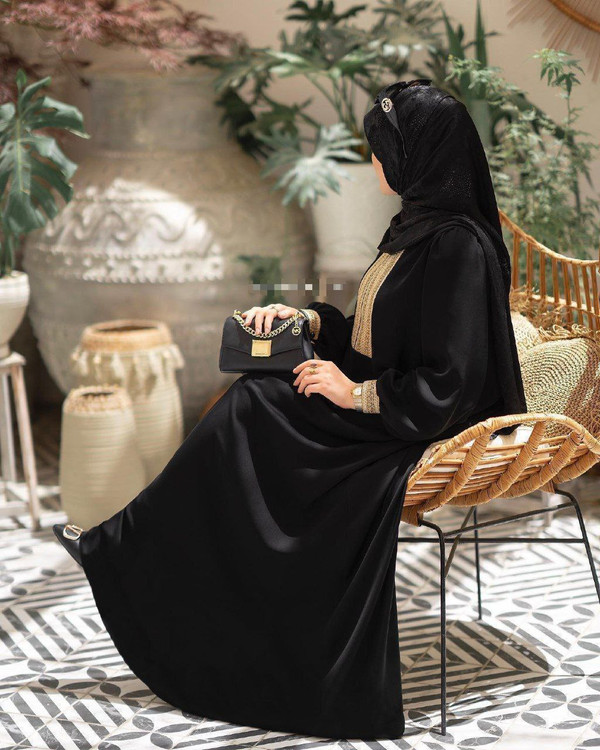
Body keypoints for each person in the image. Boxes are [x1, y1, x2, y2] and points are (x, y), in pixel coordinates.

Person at [52, 79, 526, 740]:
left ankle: (129, 555)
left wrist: (352, 393)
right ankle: (145, 561)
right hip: (386, 407)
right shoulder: (417, 228)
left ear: (418, 155)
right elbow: (378, 337)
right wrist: (306, 319)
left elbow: (452, 382)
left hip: (409, 425)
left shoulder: (458, 247)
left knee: (252, 407)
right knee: (256, 391)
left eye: (382, 149)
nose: (373, 162)